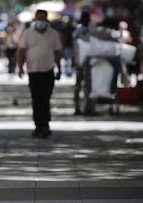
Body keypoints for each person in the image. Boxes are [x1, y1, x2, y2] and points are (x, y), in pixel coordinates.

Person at [17, 9, 62, 138]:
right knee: (36, 99)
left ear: (46, 20)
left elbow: (58, 52)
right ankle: (38, 125)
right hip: (33, 71)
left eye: (43, 19)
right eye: (39, 19)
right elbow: (21, 51)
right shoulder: (27, 33)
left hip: (48, 70)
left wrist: (59, 68)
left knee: (45, 99)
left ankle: (46, 125)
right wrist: (20, 67)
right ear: (35, 20)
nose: (41, 21)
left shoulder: (53, 33)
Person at [72, 10, 91, 115]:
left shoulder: (77, 31)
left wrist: (73, 59)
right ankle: (85, 107)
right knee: (86, 85)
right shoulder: (89, 31)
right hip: (86, 61)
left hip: (79, 61)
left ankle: (79, 107)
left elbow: (74, 46)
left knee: (79, 85)